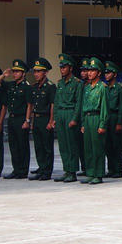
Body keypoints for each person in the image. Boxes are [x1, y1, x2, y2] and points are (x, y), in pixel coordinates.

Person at [76, 58, 109, 185]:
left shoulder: (102, 88)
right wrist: (83, 123)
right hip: (88, 118)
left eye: (93, 70)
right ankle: (90, 173)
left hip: (96, 117)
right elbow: (83, 106)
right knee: (88, 148)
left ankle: (98, 174)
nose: (89, 73)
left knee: (97, 148)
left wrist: (102, 124)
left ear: (99, 73)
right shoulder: (87, 88)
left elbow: (104, 108)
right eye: (88, 70)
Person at [54, 54, 84, 182]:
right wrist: (55, 117)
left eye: (64, 67)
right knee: (63, 145)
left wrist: (74, 119)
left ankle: (72, 171)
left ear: (70, 68)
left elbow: (78, 103)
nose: (62, 70)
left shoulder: (77, 83)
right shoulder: (60, 83)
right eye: (61, 67)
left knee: (72, 144)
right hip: (61, 114)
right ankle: (66, 170)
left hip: (70, 113)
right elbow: (57, 101)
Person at [1, 59, 31, 179]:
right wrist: (4, 75)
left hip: (21, 118)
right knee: (13, 146)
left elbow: (29, 105)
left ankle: (23, 171)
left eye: (17, 72)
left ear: (23, 73)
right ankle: (16, 169)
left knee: (22, 145)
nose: (15, 74)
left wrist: (27, 120)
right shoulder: (11, 85)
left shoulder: (26, 87)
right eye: (14, 71)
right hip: (12, 118)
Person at [28, 58, 56, 181]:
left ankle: (47, 171)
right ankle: (41, 168)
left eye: (39, 71)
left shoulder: (50, 86)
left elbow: (53, 105)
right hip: (37, 119)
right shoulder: (35, 87)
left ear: (45, 72)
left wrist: (51, 121)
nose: (36, 74)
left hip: (46, 119)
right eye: (35, 71)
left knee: (47, 147)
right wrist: (32, 121)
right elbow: (33, 106)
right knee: (38, 146)